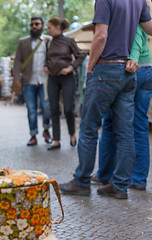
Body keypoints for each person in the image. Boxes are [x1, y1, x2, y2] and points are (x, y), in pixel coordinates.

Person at [60, 0, 152, 199]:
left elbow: (101, 35)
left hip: (106, 67)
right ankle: (119, 186)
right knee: (126, 132)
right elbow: (150, 29)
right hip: (128, 73)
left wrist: (90, 66)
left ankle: (82, 181)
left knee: (89, 128)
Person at [95, 24, 152, 191]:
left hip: (130, 66)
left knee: (111, 122)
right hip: (147, 67)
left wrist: (132, 58)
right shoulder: (143, 11)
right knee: (140, 125)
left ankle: (106, 174)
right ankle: (138, 179)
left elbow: (133, 34)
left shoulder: (127, 7)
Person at [44, 17, 83, 150]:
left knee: (67, 108)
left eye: (49, 27)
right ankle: (56, 140)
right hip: (53, 78)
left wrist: (71, 67)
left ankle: (72, 134)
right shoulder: (48, 42)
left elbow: (80, 56)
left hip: (67, 78)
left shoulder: (69, 40)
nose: (48, 30)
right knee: (54, 109)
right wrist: (46, 66)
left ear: (58, 27)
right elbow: (47, 58)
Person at [13, 16, 53, 146]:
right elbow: (18, 60)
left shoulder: (48, 40)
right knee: (31, 109)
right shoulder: (23, 42)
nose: (34, 27)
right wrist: (17, 78)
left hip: (45, 80)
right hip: (28, 80)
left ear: (42, 26)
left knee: (46, 107)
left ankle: (46, 130)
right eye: (32, 25)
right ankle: (33, 135)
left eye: (36, 24)